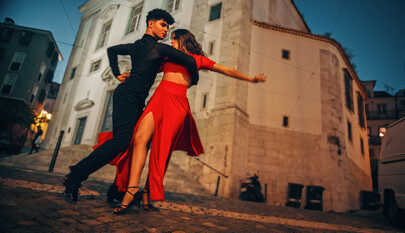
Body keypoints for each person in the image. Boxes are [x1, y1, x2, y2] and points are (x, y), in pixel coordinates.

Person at [110, 29, 266, 214]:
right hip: (158, 99)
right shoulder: (167, 57)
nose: (171, 42)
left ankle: (147, 191)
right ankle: (132, 188)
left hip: (177, 103)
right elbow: (147, 68)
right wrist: (128, 74)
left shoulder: (197, 60)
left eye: (173, 39)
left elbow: (226, 69)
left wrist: (251, 79)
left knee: (162, 148)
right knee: (139, 139)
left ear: (181, 39)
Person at [61, 9, 199, 203]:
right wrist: (194, 80)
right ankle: (75, 177)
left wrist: (117, 74)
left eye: (168, 27)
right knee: (122, 141)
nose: (166, 30)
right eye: (163, 25)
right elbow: (190, 60)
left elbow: (112, 51)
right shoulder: (159, 49)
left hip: (133, 98)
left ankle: (118, 189)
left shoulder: (138, 46)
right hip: (127, 96)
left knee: (137, 142)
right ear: (150, 24)